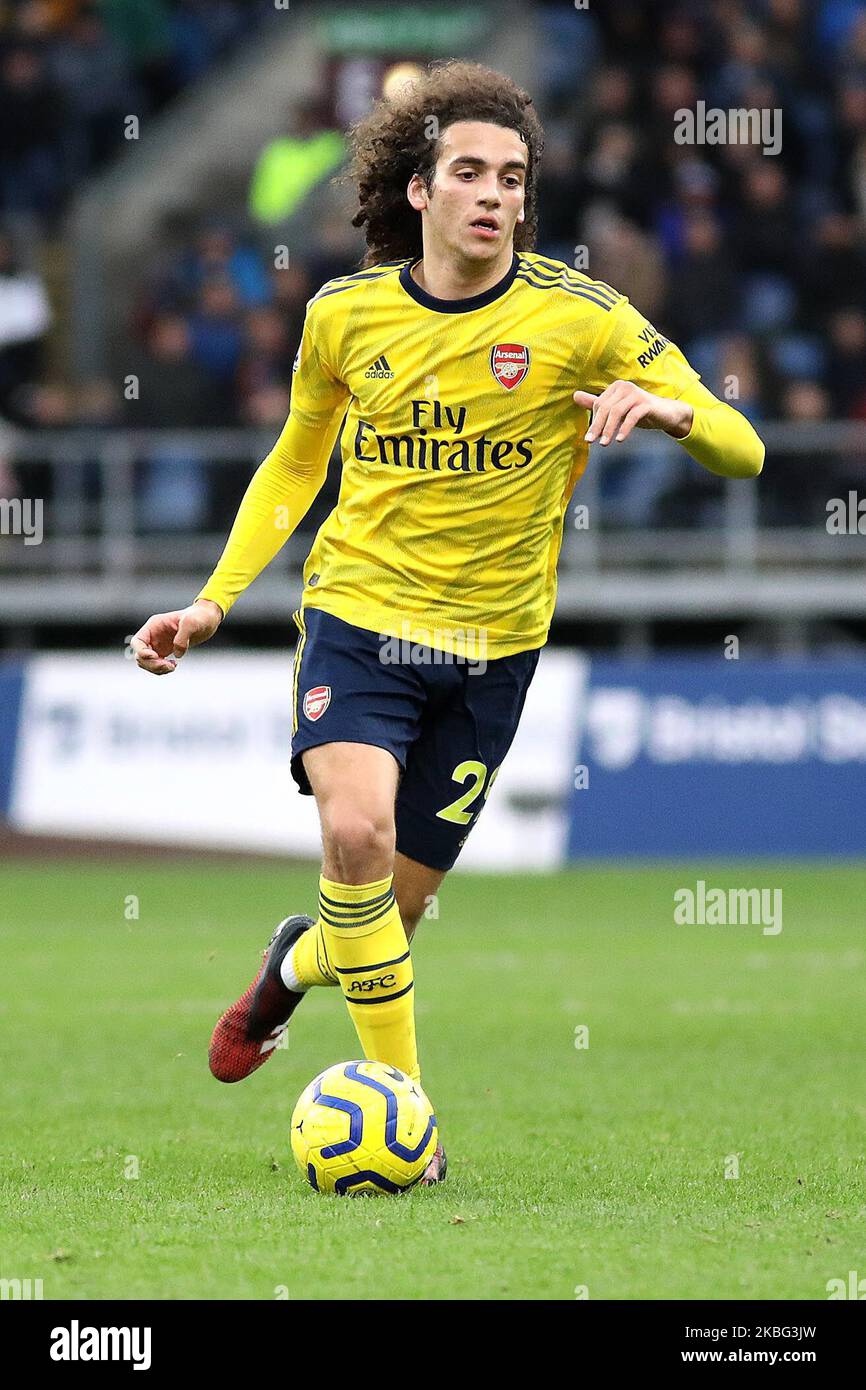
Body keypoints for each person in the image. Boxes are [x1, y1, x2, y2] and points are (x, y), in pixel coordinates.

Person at [131, 61, 764, 1187]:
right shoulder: (344, 314)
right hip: (358, 621)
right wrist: (214, 597)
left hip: (490, 653)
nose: (491, 195)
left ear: (527, 198)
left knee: (387, 916)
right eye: (466, 172)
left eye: (511, 178)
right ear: (417, 191)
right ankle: (408, 1128)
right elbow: (295, 460)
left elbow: (744, 448)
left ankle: (291, 965)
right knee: (356, 840)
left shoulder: (581, 321)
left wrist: (673, 410)